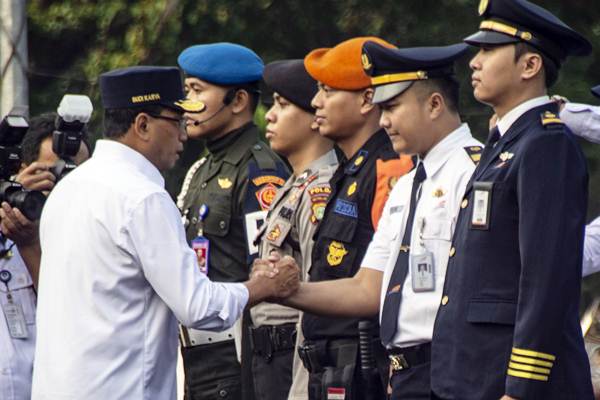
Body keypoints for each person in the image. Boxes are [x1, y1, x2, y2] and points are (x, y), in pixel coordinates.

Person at [30, 66, 299, 400]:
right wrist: (262, 286)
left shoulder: (68, 189)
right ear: (143, 125)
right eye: (177, 121)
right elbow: (198, 306)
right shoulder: (142, 198)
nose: (184, 135)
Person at [258, 40, 481, 399]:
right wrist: (284, 289)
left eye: (391, 106)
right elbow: (367, 288)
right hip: (403, 374)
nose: (385, 119)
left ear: (435, 104)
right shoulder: (409, 184)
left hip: (453, 371)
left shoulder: (476, 173)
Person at [430, 0, 594, 398]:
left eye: (488, 50)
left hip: (513, 381)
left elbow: (547, 277)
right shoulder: (507, 143)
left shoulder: (546, 144)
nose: (474, 61)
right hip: (476, 374)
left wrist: (521, 386)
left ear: (530, 66)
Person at [265, 37, 413, 400]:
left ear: (366, 100)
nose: (316, 102)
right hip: (328, 365)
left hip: (364, 367)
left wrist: (286, 289)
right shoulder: (347, 172)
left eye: (328, 91)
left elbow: (386, 284)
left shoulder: (387, 170)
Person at [176, 42, 289, 400]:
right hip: (196, 352)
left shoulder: (260, 171)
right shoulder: (200, 169)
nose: (186, 104)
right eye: (186, 90)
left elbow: (268, 272)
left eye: (197, 91)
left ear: (238, 101)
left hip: (238, 352)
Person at [249, 59, 338, 400]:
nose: (270, 115)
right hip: (268, 358)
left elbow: (317, 291)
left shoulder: (321, 188)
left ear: (315, 117)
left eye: (282, 105)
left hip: (293, 359)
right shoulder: (293, 184)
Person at [0, 110, 90, 400]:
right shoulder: (9, 223)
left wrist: (31, 245)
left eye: (77, 173)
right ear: (23, 170)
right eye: (54, 173)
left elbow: (73, 318)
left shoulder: (96, 236)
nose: (68, 184)